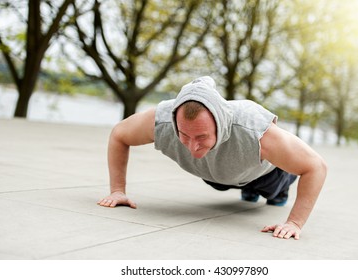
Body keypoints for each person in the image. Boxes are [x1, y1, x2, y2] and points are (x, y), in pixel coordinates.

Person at [98, 76, 327, 240]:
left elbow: (316, 167)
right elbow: (119, 134)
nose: (192, 146)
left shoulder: (253, 128)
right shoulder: (162, 121)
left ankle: (273, 190)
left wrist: (294, 222)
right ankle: (244, 187)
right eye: (184, 135)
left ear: (221, 123)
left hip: (267, 174)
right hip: (218, 174)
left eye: (201, 136)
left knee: (272, 192)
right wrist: (118, 189)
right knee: (219, 181)